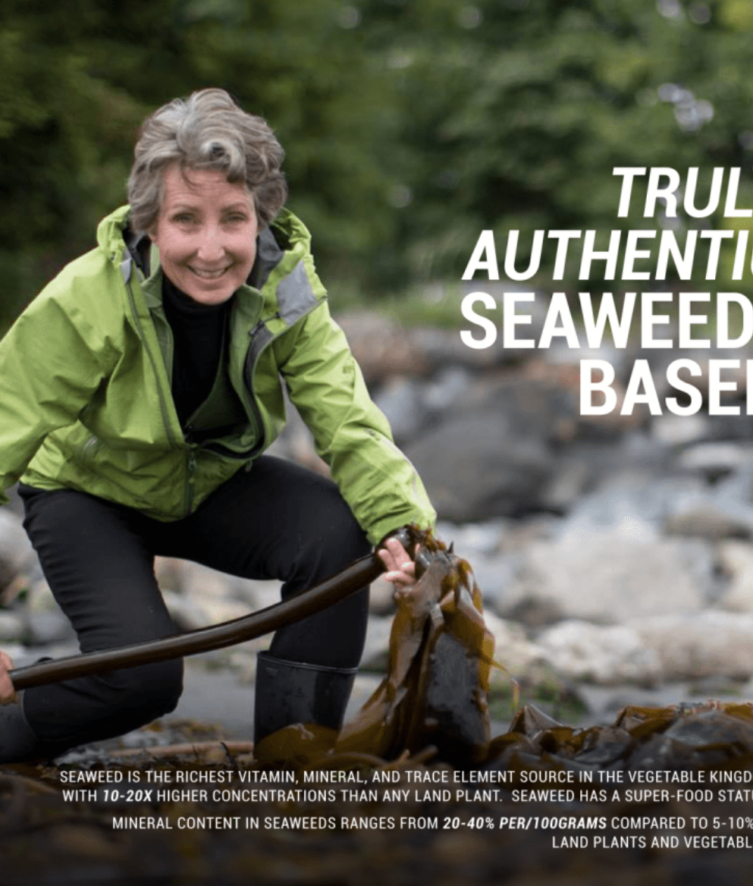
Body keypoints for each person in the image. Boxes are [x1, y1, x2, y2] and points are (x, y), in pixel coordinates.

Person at [0, 89, 435, 761]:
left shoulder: (286, 288)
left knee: (343, 534)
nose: (211, 250)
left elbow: (347, 420)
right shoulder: (86, 298)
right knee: (141, 679)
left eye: (233, 219)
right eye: (185, 220)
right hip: (87, 495)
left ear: (261, 218)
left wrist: (406, 529)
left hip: (209, 483)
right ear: (149, 224)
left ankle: (294, 764)